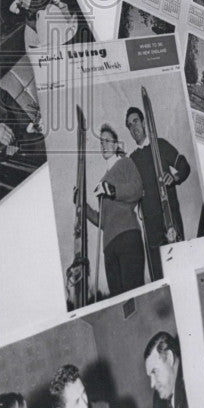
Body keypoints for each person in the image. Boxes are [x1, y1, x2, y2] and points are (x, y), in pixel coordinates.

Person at [125, 106, 190, 280]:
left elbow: (184, 165)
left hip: (169, 217)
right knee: (160, 276)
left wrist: (175, 177)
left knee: (181, 268)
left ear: (144, 122)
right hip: (151, 225)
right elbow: (130, 192)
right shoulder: (131, 160)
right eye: (130, 125)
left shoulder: (160, 145)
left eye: (136, 121)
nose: (134, 127)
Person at [83, 124, 146, 297]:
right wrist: (83, 206)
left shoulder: (125, 163)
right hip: (109, 246)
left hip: (128, 236)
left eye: (108, 141)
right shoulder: (102, 180)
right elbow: (102, 221)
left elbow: (137, 189)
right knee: (119, 301)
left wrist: (112, 190)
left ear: (116, 144)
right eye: (101, 142)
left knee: (134, 296)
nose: (103, 145)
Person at [142, 331, 196, 408]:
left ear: (170, 358)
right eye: (150, 376)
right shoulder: (161, 393)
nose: (152, 384)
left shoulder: (193, 382)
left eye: (155, 372)